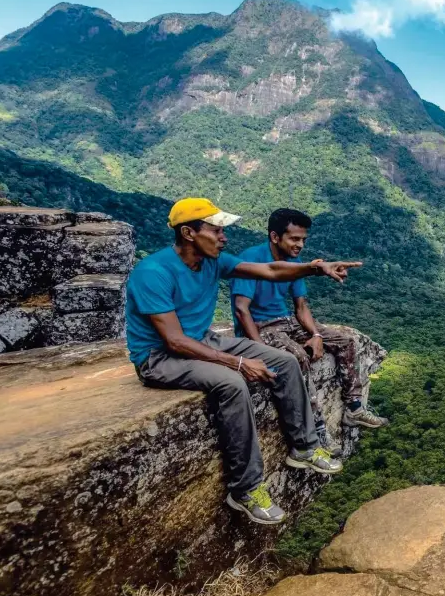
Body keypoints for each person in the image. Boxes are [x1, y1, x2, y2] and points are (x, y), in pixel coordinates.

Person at [126, 197, 362, 526]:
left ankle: (305, 447)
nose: (224, 238)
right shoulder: (153, 272)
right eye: (216, 230)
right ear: (189, 233)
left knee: (283, 361)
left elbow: (268, 270)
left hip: (201, 339)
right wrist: (236, 362)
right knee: (232, 384)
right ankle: (246, 488)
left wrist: (314, 268)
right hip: (159, 357)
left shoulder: (212, 262)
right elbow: (174, 340)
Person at [230, 208, 388, 452]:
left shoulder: (293, 264)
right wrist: (258, 348)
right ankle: (317, 428)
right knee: (298, 357)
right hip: (262, 326)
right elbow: (242, 310)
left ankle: (354, 408)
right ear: (275, 237)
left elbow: (300, 306)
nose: (300, 245)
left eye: (303, 239)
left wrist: (315, 335)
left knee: (345, 342)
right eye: (294, 239)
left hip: (286, 321)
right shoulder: (250, 260)